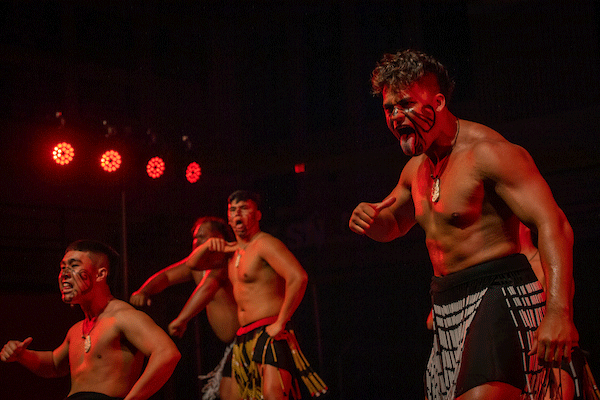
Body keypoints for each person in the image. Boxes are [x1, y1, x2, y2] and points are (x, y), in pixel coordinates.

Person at [349, 49, 578, 400]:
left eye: (406, 104)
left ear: (438, 102)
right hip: (446, 303)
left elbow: (554, 224)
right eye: (389, 108)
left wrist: (559, 311)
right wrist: (368, 220)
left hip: (500, 292)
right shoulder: (415, 170)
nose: (396, 116)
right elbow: (393, 225)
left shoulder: (487, 153)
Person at [183, 190, 328, 400]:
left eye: (244, 208)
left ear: (258, 214)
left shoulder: (265, 244)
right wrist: (207, 246)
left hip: (270, 333)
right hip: (244, 338)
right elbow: (192, 264)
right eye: (233, 210)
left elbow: (298, 277)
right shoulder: (231, 252)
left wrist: (281, 322)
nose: (238, 213)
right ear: (229, 218)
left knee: (272, 395)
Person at [1, 239, 181, 400]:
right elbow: (55, 365)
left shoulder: (123, 317)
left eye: (73, 266)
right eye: (62, 267)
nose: (64, 274)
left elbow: (167, 353)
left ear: (100, 274)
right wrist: (23, 356)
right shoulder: (76, 329)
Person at [130, 216, 239, 400]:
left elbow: (207, 287)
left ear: (220, 238)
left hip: (247, 340)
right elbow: (167, 276)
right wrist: (144, 291)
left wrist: (182, 319)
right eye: (196, 237)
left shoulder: (225, 260)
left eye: (203, 237)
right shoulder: (196, 265)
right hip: (231, 347)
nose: (197, 242)